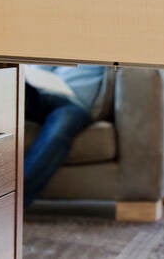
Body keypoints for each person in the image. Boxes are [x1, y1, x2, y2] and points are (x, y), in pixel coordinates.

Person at [23, 64, 106, 207]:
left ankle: (13, 202)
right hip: (42, 96)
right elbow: (34, 72)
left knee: (57, 132)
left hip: (73, 105)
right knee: (11, 84)